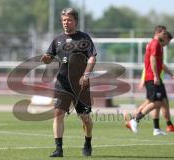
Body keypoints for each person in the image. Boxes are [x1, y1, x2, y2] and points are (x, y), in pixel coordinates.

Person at [40, 8, 97, 157]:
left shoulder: (84, 38)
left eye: (69, 20)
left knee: (85, 118)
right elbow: (49, 57)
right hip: (62, 83)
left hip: (80, 84)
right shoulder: (57, 40)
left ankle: (88, 142)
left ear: (76, 22)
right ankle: (58, 149)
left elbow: (92, 58)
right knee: (57, 114)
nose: (66, 22)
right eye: (64, 20)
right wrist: (47, 59)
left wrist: (86, 74)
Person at [126, 29, 174, 134]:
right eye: (164, 33)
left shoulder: (156, 44)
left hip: (154, 78)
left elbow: (159, 63)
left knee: (159, 102)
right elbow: (152, 60)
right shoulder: (155, 44)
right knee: (156, 102)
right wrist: (156, 76)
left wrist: (170, 75)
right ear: (158, 32)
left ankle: (156, 129)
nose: (165, 35)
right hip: (152, 78)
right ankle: (134, 120)